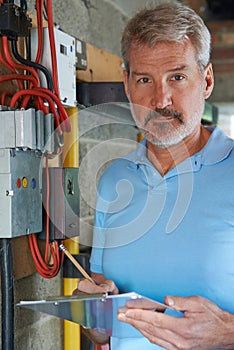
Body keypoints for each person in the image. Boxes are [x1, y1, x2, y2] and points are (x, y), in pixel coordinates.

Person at [76, 1, 234, 349]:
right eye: (145, 79)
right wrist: (91, 314)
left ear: (206, 80)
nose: (160, 99)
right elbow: (101, 330)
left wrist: (227, 334)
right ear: (127, 85)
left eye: (177, 77)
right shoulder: (113, 179)